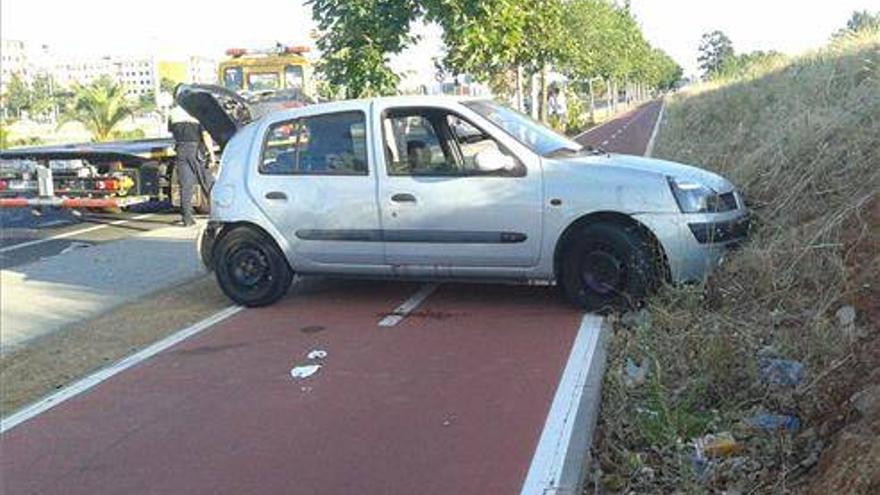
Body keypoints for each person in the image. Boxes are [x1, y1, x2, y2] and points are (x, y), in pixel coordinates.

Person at [168, 92, 214, 226]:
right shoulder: (196, 112)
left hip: (181, 150)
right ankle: (218, 215)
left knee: (186, 186)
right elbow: (205, 135)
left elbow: (172, 131)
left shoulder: (173, 113)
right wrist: (211, 154)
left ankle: (187, 219)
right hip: (195, 150)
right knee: (207, 182)